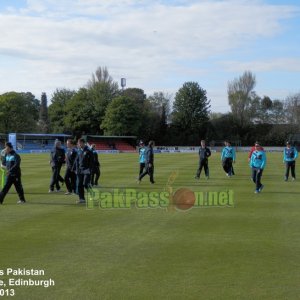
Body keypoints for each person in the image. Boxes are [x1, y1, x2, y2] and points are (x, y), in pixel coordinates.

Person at [74, 138, 93, 203]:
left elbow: (92, 161)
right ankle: (82, 199)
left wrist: (90, 169)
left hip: (87, 169)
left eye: (79, 143)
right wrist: (76, 169)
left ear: (82, 143)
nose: (78, 144)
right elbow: (77, 161)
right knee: (79, 184)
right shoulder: (78, 151)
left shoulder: (88, 151)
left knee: (85, 184)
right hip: (79, 170)